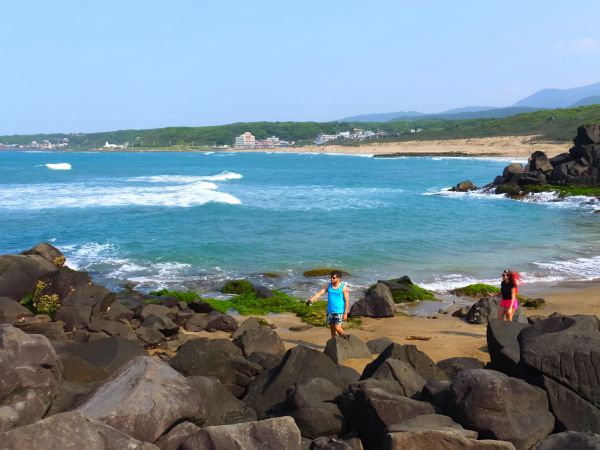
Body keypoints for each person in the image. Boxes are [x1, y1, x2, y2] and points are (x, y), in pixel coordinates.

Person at [307, 270, 350, 338]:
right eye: (331, 277)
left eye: (333, 277)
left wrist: (345, 313)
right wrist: (311, 299)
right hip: (330, 311)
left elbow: (347, 301)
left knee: (338, 328)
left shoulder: (343, 288)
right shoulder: (329, 286)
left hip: (339, 311)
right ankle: (334, 344)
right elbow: (320, 293)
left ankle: (346, 340)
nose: (331, 279)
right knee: (332, 330)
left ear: (338, 278)